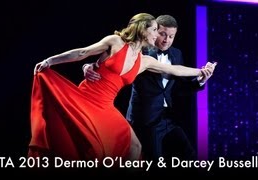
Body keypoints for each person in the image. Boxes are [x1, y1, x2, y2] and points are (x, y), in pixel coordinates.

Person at [29, 13, 214, 162]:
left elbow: (175, 69)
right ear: (143, 30)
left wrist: (201, 71)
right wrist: (50, 60)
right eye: (156, 30)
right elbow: (82, 53)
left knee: (135, 148)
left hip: (106, 107)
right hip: (87, 98)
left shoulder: (145, 61)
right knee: (89, 147)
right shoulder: (116, 42)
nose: (158, 36)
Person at [84, 15, 216, 162]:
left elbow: (179, 88)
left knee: (189, 155)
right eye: (163, 34)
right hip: (145, 119)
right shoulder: (140, 50)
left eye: (171, 36)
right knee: (152, 160)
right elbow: (111, 61)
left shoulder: (177, 54)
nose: (166, 40)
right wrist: (88, 66)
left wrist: (201, 79)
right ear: (153, 31)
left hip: (168, 118)